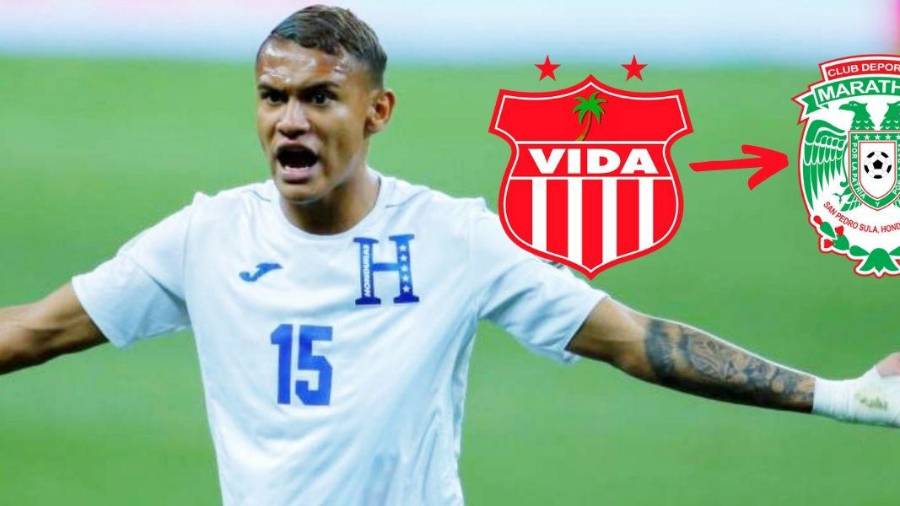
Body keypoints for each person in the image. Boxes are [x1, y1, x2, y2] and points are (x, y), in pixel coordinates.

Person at [1, 5, 897, 505]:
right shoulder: (205, 238)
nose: (291, 122)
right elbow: (33, 331)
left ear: (377, 112)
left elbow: (635, 340)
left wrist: (839, 396)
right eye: (273, 97)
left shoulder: (451, 240)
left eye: (321, 98)